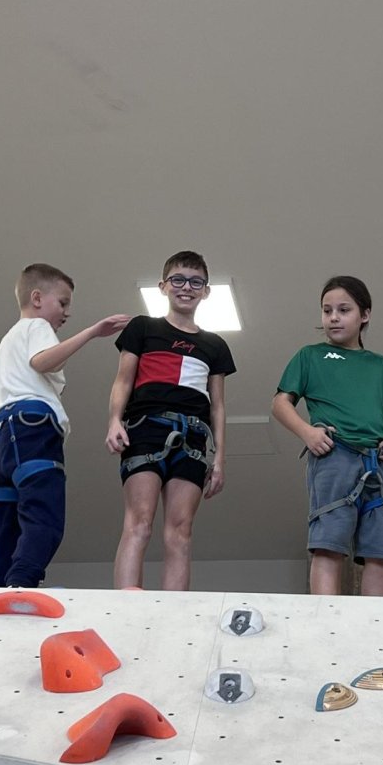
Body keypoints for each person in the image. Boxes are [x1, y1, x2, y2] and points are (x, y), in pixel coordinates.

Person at [0, 263, 129, 587]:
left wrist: (7, 425)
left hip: (2, 441)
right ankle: (21, 585)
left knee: (10, 528)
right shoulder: (38, 327)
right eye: (63, 302)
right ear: (37, 298)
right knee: (44, 518)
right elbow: (43, 361)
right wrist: (92, 332)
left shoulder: (5, 345)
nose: (67, 312)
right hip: (33, 428)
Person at [106, 251, 236, 591]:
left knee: (180, 531)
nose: (186, 287)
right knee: (139, 522)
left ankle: (174, 609)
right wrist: (114, 420)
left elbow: (218, 405)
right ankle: (126, 603)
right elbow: (123, 380)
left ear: (206, 291)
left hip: (193, 437)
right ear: (163, 286)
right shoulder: (143, 327)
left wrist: (219, 459)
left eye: (195, 282)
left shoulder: (215, 344)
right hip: (146, 428)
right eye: (178, 279)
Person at [272, 276, 383, 596]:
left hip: (378, 462)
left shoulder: (379, 365)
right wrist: (307, 432)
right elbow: (280, 403)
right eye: (327, 310)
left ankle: (376, 622)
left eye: (344, 310)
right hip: (335, 455)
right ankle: (325, 618)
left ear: (365, 315)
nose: (333, 317)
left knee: (381, 551)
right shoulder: (310, 355)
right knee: (328, 544)